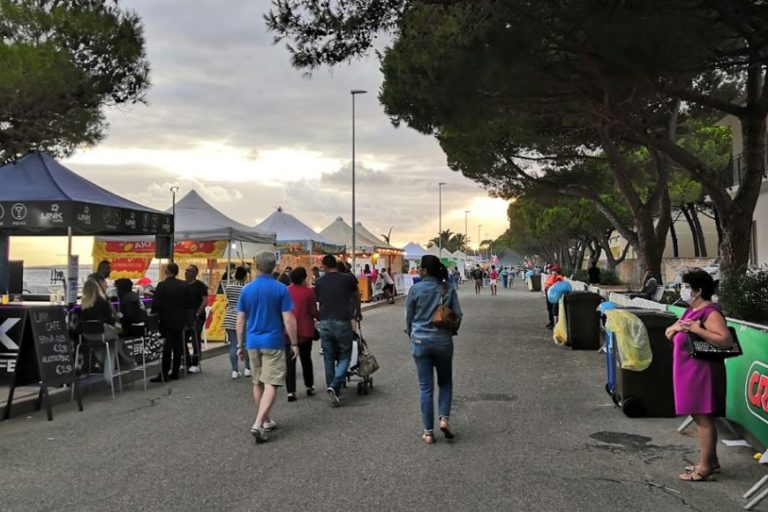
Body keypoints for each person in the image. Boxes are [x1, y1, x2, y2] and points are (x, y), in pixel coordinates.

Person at [664, 269, 731, 482]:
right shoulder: (690, 310)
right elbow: (669, 333)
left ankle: (704, 467)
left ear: (698, 290)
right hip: (687, 371)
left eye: (685, 286)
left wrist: (696, 329)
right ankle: (712, 461)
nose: (682, 290)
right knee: (697, 415)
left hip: (702, 372)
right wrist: (676, 328)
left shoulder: (710, 312)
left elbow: (725, 340)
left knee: (703, 417)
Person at [236, 251, 298, 443]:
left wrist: (240, 344)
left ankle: (266, 420)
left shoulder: (246, 289)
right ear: (274, 267)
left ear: (256, 266)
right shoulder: (281, 289)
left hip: (253, 341)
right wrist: (294, 342)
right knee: (272, 382)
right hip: (273, 341)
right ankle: (257, 424)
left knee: (257, 382)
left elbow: (241, 319)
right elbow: (288, 318)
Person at [405, 255, 463, 445]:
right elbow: (458, 315)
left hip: (420, 341)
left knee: (425, 387)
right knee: (445, 383)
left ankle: (428, 433)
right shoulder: (447, 288)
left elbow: (409, 316)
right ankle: (444, 419)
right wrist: (451, 330)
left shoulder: (415, 289)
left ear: (424, 270)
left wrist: (411, 333)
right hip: (443, 342)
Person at [314, 254, 361, 407]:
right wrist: (358, 312)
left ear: (325, 266)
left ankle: (333, 390)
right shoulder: (347, 278)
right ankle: (334, 386)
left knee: (328, 357)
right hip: (342, 321)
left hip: (325, 322)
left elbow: (319, 301)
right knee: (344, 355)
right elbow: (356, 296)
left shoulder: (319, 281)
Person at [78, 279, 134, 383]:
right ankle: (121, 365)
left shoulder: (83, 305)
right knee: (114, 343)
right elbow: (110, 320)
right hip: (103, 333)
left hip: (88, 336)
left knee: (108, 347)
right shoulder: (102, 302)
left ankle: (114, 363)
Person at [150, 263, 190, 382]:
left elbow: (156, 305)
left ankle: (164, 372)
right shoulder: (184, 285)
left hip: (166, 320)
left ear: (167, 271)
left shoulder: (162, 285)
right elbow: (188, 303)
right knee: (177, 346)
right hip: (180, 320)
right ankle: (175, 371)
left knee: (167, 347)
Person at [285, 267, 318, 401]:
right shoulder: (309, 292)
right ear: (304, 278)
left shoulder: (285, 291)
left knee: (290, 362)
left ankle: (291, 391)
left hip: (287, 332)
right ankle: (309, 386)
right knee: (306, 360)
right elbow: (313, 311)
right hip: (305, 331)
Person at [224, 266, 251, 379]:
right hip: (244, 318)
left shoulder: (228, 287)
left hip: (230, 317)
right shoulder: (248, 288)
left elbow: (229, 302)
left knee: (233, 345)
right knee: (246, 345)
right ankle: (247, 368)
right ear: (245, 276)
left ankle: (235, 371)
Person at [184, 264, 208, 373]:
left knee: (195, 338)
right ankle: (186, 361)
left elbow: (205, 300)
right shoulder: (183, 285)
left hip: (198, 317)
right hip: (185, 316)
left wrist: (198, 313)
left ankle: (195, 362)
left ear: (195, 273)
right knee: (183, 339)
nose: (187, 272)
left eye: (189, 271)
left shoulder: (201, 286)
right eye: (186, 270)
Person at [543, 264, 564, 329]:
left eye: (554, 270)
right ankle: (551, 322)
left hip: (554, 295)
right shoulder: (551, 276)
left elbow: (557, 286)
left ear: (557, 271)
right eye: (552, 270)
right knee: (549, 309)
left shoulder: (559, 277)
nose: (553, 271)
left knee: (553, 310)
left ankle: (554, 325)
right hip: (549, 294)